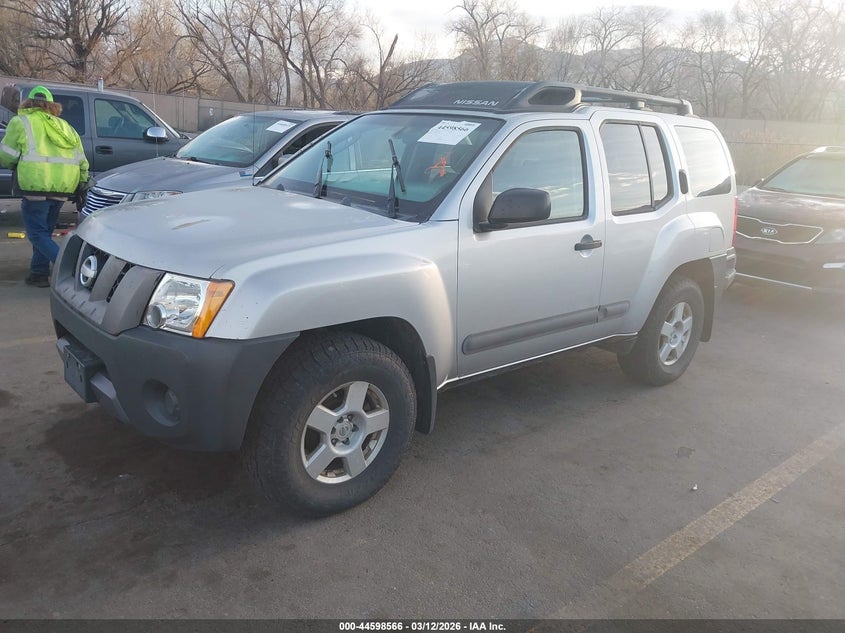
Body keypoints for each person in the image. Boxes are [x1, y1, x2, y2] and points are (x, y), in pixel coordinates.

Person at [0, 85, 89, 287]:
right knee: (44, 233)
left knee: (36, 234)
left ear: (28, 102)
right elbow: (82, 161)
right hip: (62, 188)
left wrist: (16, 164)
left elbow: (6, 156)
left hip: (35, 186)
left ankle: (75, 269)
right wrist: (82, 182)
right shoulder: (66, 127)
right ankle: (39, 273)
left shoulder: (21, 122)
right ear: (52, 105)